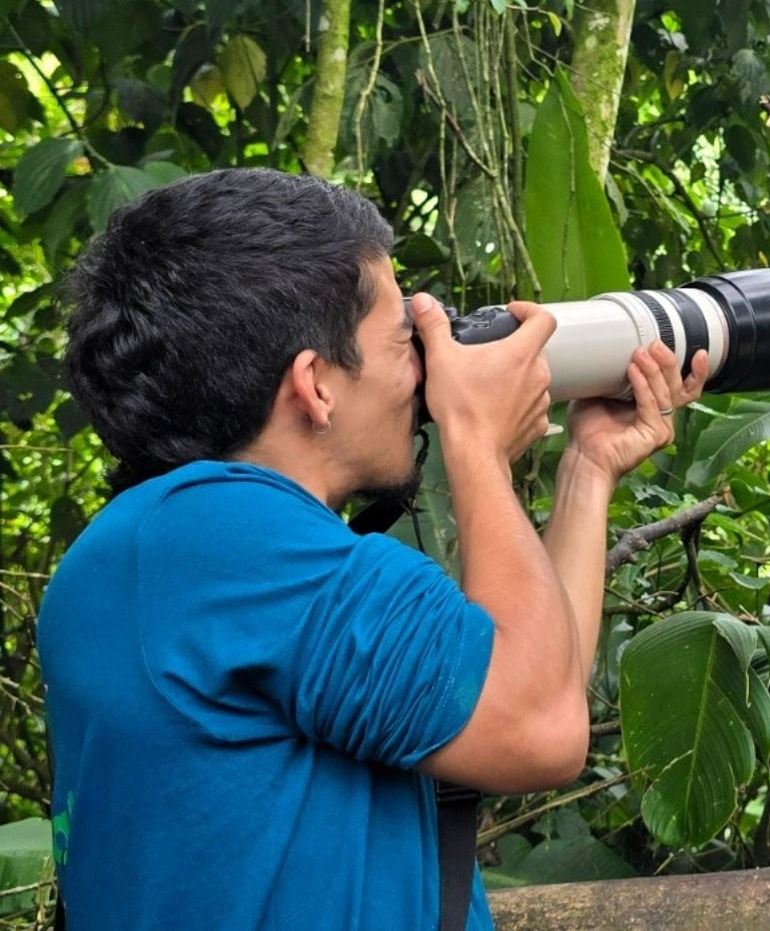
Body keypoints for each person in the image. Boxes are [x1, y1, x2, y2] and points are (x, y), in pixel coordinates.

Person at [37, 168, 708, 929]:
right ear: (314, 385)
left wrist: (587, 473)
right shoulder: (223, 537)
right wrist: (475, 442)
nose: (425, 365)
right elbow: (539, 729)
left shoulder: (174, 543)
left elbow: (524, 694)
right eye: (403, 338)